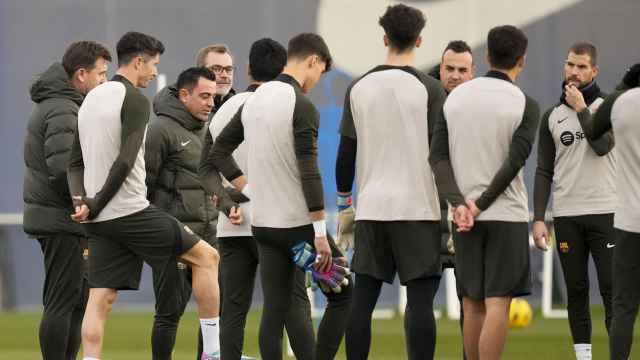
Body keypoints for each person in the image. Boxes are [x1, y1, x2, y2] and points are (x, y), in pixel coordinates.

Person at [67, 31, 221, 360]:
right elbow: (125, 161)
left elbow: (74, 164)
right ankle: (212, 353)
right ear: (138, 61)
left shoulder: (89, 99)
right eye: (153, 65)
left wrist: (82, 202)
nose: (154, 73)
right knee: (208, 258)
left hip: (100, 220)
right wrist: (95, 202)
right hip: (130, 213)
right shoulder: (135, 99)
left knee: (100, 299)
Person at [207, 32, 352, 360]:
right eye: (320, 72)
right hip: (298, 232)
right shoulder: (300, 104)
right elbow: (309, 172)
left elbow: (218, 153)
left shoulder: (253, 100)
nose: (317, 80)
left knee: (275, 307)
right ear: (313, 61)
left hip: (265, 230)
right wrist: (319, 234)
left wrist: (250, 189)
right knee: (343, 294)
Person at [336, 4, 446, 360]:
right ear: (419, 40)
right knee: (419, 305)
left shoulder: (358, 87)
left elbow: (344, 156)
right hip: (419, 209)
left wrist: (344, 205)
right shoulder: (430, 88)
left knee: (361, 303)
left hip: (372, 209)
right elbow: (441, 155)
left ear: (384, 38)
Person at [429, 25, 540, 360]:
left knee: (472, 303)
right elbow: (514, 162)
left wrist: (459, 205)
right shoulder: (526, 104)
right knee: (497, 304)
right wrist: (479, 206)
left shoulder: (455, 99)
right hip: (505, 216)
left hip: (463, 219)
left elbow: (437, 157)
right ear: (522, 60)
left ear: (487, 56)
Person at [23, 40, 111, 360]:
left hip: (65, 218)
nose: (104, 80)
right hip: (62, 218)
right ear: (81, 74)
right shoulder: (63, 107)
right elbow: (62, 170)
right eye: (101, 74)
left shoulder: (67, 104)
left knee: (75, 300)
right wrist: (85, 200)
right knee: (63, 300)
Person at [532, 42, 615, 360]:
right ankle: (583, 357)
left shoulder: (609, 106)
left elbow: (603, 146)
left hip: (606, 212)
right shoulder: (551, 116)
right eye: (570, 65)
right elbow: (543, 170)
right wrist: (539, 217)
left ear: (594, 71)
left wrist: (582, 109)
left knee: (611, 291)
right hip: (566, 216)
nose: (574, 72)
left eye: (581, 66)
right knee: (576, 291)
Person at [145, 66, 220, 359]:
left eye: (213, 97)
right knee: (168, 315)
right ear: (184, 94)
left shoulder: (211, 129)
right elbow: (144, 188)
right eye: (204, 96)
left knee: (212, 315)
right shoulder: (160, 130)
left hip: (209, 238)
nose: (210, 103)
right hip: (172, 240)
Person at [572, 63, 640, 360]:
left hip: (629, 220)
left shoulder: (621, 103)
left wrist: (623, 85)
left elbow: (594, 127)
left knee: (624, 306)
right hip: (625, 220)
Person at [196, 44, 236, 113]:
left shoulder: (241, 108)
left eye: (228, 69)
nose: (224, 75)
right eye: (216, 69)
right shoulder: (178, 105)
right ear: (200, 72)